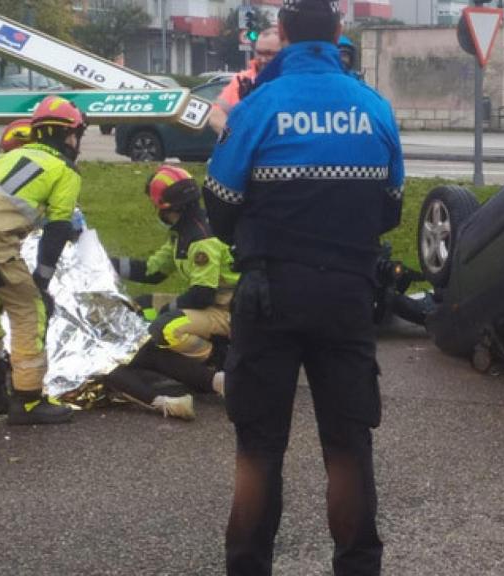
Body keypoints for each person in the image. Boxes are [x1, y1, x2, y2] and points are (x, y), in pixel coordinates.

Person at [203, 0, 404, 573]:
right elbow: (389, 210)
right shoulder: (374, 109)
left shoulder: (259, 107)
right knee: (347, 447)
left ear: (285, 35)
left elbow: (219, 207)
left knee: (259, 450)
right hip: (346, 297)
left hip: (269, 297)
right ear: (340, 33)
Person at [0, 96, 87, 425]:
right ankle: (28, 401)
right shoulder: (63, 169)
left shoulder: (10, 155)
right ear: (69, 135)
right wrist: (42, 280)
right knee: (30, 310)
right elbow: (58, 228)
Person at [110, 165, 239, 368]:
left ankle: (219, 360)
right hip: (211, 305)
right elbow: (152, 272)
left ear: (170, 208)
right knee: (140, 306)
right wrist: (106, 263)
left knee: (167, 327)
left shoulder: (201, 240)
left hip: (229, 312)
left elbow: (202, 294)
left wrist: (168, 310)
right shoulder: (184, 231)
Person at [207, 27, 283, 133]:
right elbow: (216, 115)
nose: (263, 59)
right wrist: (235, 139)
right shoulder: (242, 80)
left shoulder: (293, 79)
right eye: (259, 53)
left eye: (270, 54)